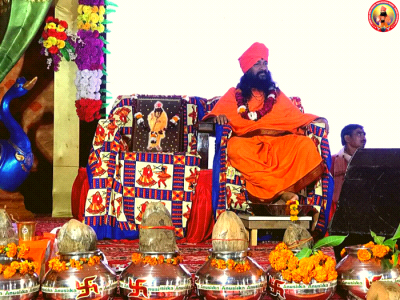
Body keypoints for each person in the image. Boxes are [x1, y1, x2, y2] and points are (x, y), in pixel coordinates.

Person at [204, 42, 329, 203]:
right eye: (257, 64)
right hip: (249, 144)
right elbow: (215, 115)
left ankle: (279, 193)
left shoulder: (275, 94)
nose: (263, 68)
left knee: (304, 144)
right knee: (235, 148)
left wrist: (317, 119)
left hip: (279, 143)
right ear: (247, 69)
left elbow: (295, 116)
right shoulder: (234, 95)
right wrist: (217, 118)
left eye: (265, 63)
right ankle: (282, 193)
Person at [329, 124, 366, 222]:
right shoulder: (331, 161)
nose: (364, 138)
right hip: (338, 214)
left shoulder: (370, 162)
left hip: (363, 214)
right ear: (347, 138)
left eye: (364, 134)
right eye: (359, 134)